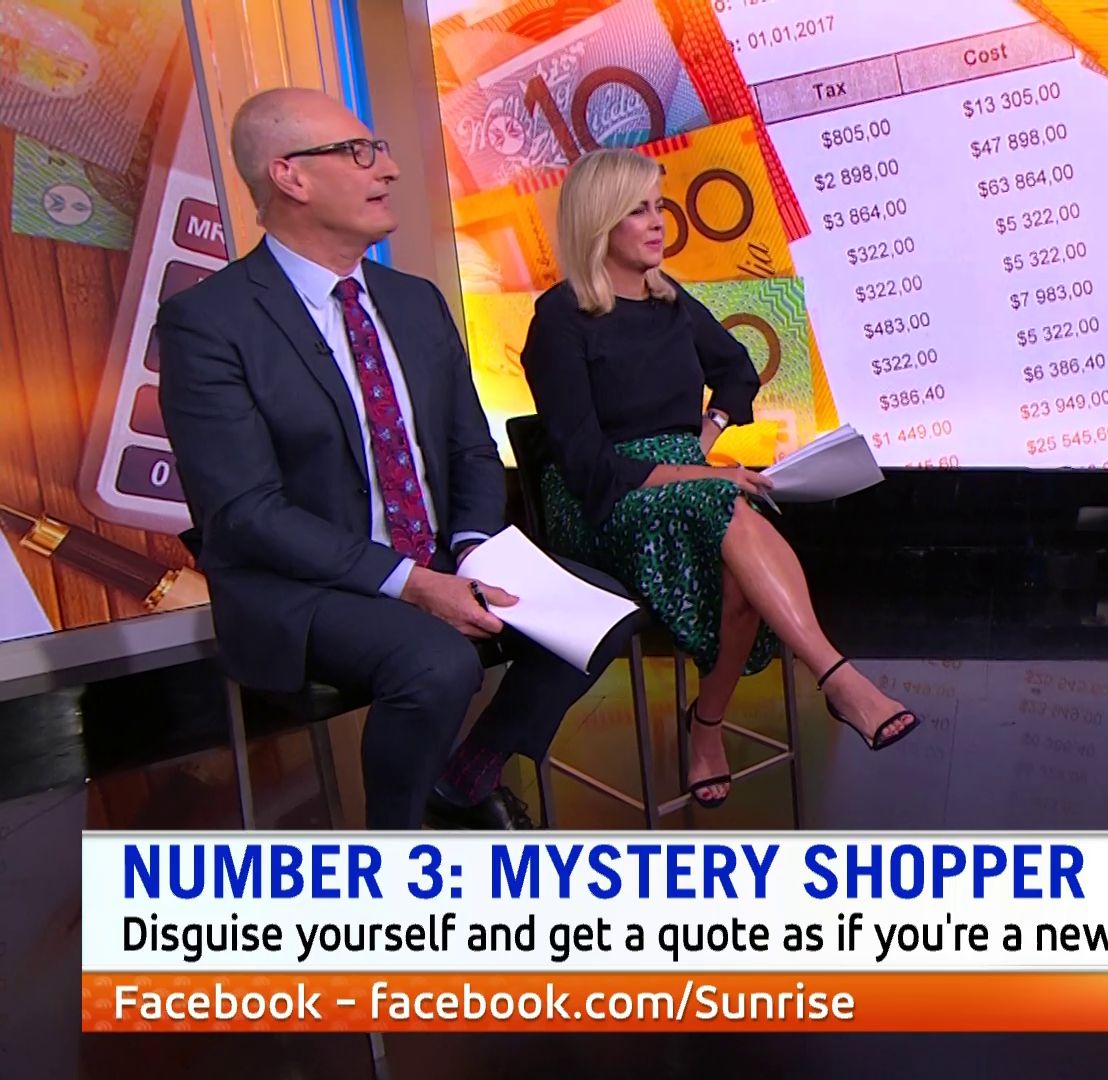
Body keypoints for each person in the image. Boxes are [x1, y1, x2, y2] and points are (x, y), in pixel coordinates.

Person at [158, 88, 628, 830]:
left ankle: (464, 784)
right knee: (437, 664)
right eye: (358, 153)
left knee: (599, 608)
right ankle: (394, 855)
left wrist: (470, 548)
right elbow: (245, 513)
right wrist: (412, 583)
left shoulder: (414, 301)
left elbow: (470, 448)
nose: (389, 168)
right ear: (290, 176)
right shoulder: (208, 321)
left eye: (378, 148)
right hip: (305, 586)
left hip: (437, 559)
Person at [520, 148, 920, 811]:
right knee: (727, 503)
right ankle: (836, 677)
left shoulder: (670, 300)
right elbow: (588, 466)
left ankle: (708, 723)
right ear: (599, 222)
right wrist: (698, 471)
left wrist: (706, 439)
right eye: (638, 211)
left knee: (734, 544)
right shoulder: (559, 321)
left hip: (692, 484)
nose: (658, 223)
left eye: (659, 207)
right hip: (605, 500)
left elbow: (736, 369)